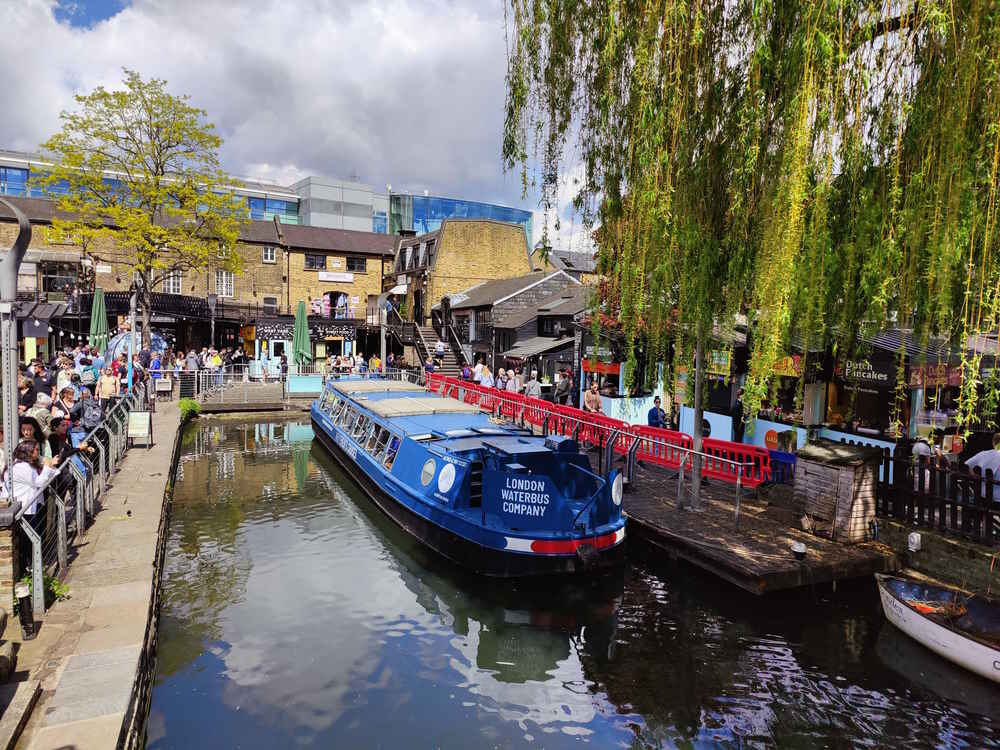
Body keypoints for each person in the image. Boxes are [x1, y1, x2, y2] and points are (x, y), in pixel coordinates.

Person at [965, 432, 1000, 497]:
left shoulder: (983, 454)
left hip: (983, 495)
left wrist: (974, 476)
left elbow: (966, 465)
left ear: (993, 442)